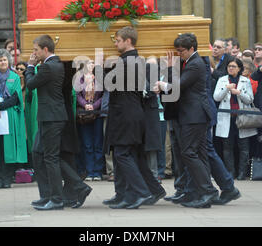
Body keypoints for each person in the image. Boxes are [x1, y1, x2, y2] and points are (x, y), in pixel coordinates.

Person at [25, 34, 91, 210]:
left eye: (36, 50)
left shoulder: (48, 67)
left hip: (52, 117)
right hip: (50, 116)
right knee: (38, 153)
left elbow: (30, 84)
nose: (34, 53)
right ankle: (48, 195)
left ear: (46, 49)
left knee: (51, 157)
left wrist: (30, 66)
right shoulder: (54, 65)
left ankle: (58, 198)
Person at [103, 26, 165, 209]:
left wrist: (101, 65)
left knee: (123, 154)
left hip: (127, 116)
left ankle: (141, 192)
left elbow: (108, 85)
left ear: (128, 41)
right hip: (126, 114)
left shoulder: (128, 62)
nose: (114, 43)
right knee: (126, 155)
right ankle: (127, 194)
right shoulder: (130, 61)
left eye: (117, 40)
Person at [155, 33, 218, 208]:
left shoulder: (195, 64)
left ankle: (207, 191)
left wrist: (162, 84)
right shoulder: (189, 62)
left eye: (181, 51)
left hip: (194, 115)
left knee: (189, 153)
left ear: (191, 48)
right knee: (200, 154)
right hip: (193, 115)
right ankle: (201, 191)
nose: (179, 53)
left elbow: (178, 86)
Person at [0, 49, 27, 189]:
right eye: (0, 60)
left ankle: (7, 179)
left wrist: (0, 106)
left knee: (7, 149)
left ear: (9, 62)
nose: (3, 62)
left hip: (8, 116)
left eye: (5, 60)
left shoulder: (14, 77)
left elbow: (16, 98)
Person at [213, 58, 257, 180]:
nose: (231, 68)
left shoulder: (245, 81)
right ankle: (230, 173)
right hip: (227, 117)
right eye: (229, 66)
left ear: (239, 68)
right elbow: (216, 97)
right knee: (227, 147)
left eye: (233, 66)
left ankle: (242, 173)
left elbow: (250, 99)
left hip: (242, 117)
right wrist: (226, 88)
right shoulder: (222, 80)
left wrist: (239, 93)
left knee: (243, 146)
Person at [75, 60, 104, 181]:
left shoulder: (100, 79)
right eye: (89, 63)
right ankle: (89, 171)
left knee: (98, 143)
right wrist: (85, 104)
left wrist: (94, 105)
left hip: (97, 114)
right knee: (87, 144)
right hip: (84, 115)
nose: (91, 65)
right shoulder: (79, 79)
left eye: (93, 63)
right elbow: (77, 95)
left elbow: (103, 96)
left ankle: (98, 171)